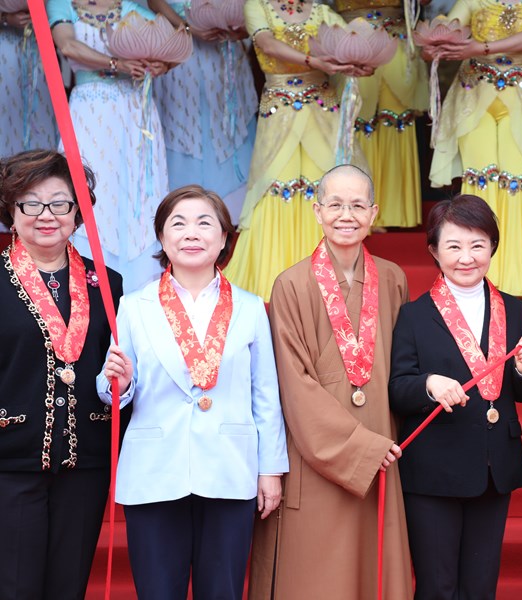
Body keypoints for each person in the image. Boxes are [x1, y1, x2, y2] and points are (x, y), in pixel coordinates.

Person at [98, 185, 288, 599]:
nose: (191, 232)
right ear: (162, 239)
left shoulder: (251, 307)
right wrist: (120, 382)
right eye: (178, 223)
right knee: (158, 590)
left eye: (205, 223)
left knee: (221, 590)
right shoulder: (134, 305)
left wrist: (270, 470)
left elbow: (266, 396)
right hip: (154, 471)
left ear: (223, 238)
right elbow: (110, 387)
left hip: (230, 468)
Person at [248, 164, 413, 599]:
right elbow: (293, 384)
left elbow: (403, 369)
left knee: (372, 571)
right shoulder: (291, 284)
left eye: (357, 205)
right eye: (336, 204)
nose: (347, 214)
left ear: (374, 213)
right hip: (319, 455)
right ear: (317, 211)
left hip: (381, 451)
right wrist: (359, 448)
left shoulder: (394, 279)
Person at [389, 194, 522, 598]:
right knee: (437, 585)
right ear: (434, 251)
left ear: (492, 246)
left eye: (477, 245)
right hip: (433, 469)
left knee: (480, 586)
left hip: (496, 466)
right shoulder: (414, 315)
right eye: (454, 246)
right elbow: (397, 387)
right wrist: (428, 384)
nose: (466, 257)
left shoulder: (516, 309)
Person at [0, 149, 123, 599]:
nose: (46, 214)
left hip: (84, 461)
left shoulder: (108, 282)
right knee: (14, 587)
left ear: (78, 210)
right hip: (9, 462)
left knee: (68, 588)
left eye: (60, 202)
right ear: (11, 211)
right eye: (31, 203)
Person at [223, 0, 371, 301]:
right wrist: (317, 62)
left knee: (328, 189)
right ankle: (273, 278)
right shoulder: (258, 7)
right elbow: (267, 44)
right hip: (280, 111)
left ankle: (330, 279)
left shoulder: (323, 12)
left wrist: (359, 60)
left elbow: (353, 44)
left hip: (322, 109)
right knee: (276, 186)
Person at [421, 0, 522, 295]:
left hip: (521, 93)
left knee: (519, 181)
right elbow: (449, 31)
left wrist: (477, 48)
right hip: (473, 93)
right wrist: (438, 41)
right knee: (479, 178)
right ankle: (472, 268)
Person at [49, 0, 170, 292]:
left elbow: (173, 42)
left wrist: (162, 63)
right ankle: (85, 279)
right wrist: (118, 64)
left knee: (136, 191)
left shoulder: (131, 8)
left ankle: (139, 283)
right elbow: (68, 47)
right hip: (90, 109)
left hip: (134, 111)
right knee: (90, 186)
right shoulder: (62, 4)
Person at [149, 0, 258, 221]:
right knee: (183, 125)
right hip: (181, 51)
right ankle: (183, 209)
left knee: (229, 123)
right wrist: (187, 28)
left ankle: (234, 213)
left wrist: (240, 29)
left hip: (225, 53)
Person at [335, 0, 428, 229]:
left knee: (396, 118)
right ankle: (355, 209)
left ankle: (395, 212)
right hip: (354, 44)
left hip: (395, 41)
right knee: (357, 119)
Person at [0, 11, 57, 157]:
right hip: (5, 48)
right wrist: (5, 18)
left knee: (40, 112)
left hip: (36, 47)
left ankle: (39, 170)